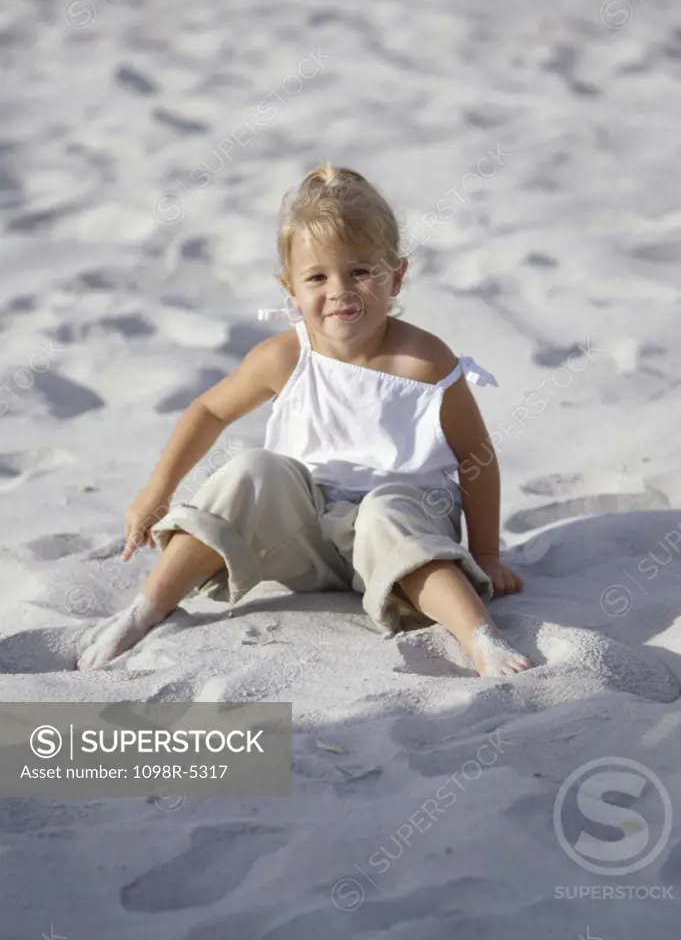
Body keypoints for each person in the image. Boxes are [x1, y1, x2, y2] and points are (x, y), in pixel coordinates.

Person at [77, 164, 531, 677]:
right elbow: (208, 410)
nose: (340, 290)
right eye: (317, 277)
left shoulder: (426, 364)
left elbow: (476, 455)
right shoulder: (285, 356)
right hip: (306, 540)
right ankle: (146, 609)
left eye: (361, 271)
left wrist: (487, 555)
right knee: (254, 470)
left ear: (396, 275)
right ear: (289, 289)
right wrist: (156, 491)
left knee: (388, 507)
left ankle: (479, 638)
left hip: (404, 537)